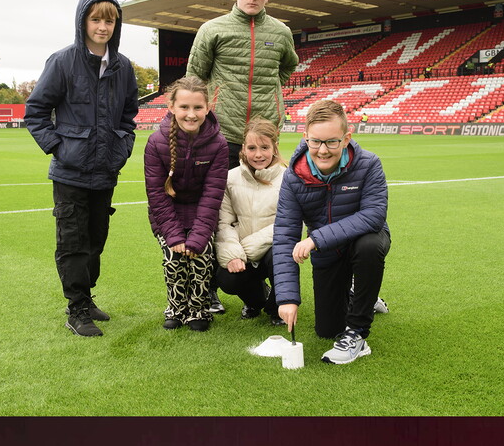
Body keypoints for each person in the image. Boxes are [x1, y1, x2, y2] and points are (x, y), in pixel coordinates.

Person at [185, 0, 299, 313]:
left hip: (265, 137)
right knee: (213, 211)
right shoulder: (212, 29)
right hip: (224, 135)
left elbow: (288, 66)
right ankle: (210, 288)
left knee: (269, 210)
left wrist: (273, 102)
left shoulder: (280, 32)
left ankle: (264, 282)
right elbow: (195, 77)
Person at [24, 0, 139, 337]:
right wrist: (59, 147)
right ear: (83, 21)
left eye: (109, 20)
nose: (103, 26)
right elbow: (36, 111)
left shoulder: (123, 67)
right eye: (96, 19)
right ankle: (76, 309)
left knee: (96, 241)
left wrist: (123, 148)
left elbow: (129, 116)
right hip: (70, 173)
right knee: (73, 242)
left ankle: (86, 299)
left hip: (105, 171)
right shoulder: (63, 61)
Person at [272, 100, 391, 365]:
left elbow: (373, 216)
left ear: (347, 138)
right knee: (326, 330)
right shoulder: (293, 177)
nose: (323, 151)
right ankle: (362, 295)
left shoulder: (369, 164)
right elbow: (284, 236)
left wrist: (316, 238)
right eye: (316, 142)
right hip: (328, 253)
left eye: (332, 142)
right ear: (305, 138)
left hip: (361, 241)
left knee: (369, 246)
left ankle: (358, 333)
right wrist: (288, 298)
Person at [144, 76, 229, 332]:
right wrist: (174, 235)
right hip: (168, 214)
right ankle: (176, 308)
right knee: (174, 258)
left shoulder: (218, 144)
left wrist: (199, 235)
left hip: (202, 213)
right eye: (184, 107)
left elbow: (213, 194)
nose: (191, 114)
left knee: (201, 256)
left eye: (197, 108)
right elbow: (157, 196)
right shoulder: (156, 143)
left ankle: (199, 309)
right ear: (171, 106)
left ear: (207, 108)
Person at [215, 118, 287, 326]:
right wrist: (234, 255)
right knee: (227, 278)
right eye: (252, 147)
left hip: (271, 250)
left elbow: (287, 224)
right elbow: (224, 223)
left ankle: (277, 308)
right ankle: (255, 301)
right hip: (242, 252)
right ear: (243, 149)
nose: (258, 154)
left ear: (275, 148)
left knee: (281, 257)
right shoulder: (230, 179)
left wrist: (245, 250)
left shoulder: (288, 179)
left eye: (264, 147)